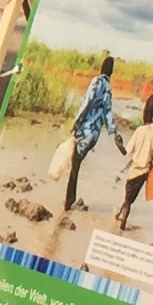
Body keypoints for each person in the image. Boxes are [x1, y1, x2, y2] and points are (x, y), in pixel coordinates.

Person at [58, 55, 122, 215]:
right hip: (94, 136)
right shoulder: (108, 88)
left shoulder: (96, 82)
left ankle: (68, 201)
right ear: (111, 72)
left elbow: (86, 104)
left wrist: (75, 123)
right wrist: (115, 135)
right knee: (75, 164)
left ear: (101, 68)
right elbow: (108, 114)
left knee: (75, 166)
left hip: (85, 131)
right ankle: (69, 199)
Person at [113, 91, 153, 234]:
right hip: (145, 171)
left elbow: (125, 151)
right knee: (131, 197)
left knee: (128, 198)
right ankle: (119, 214)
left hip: (135, 170)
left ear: (144, 111)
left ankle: (123, 223)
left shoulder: (139, 131)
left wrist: (118, 143)